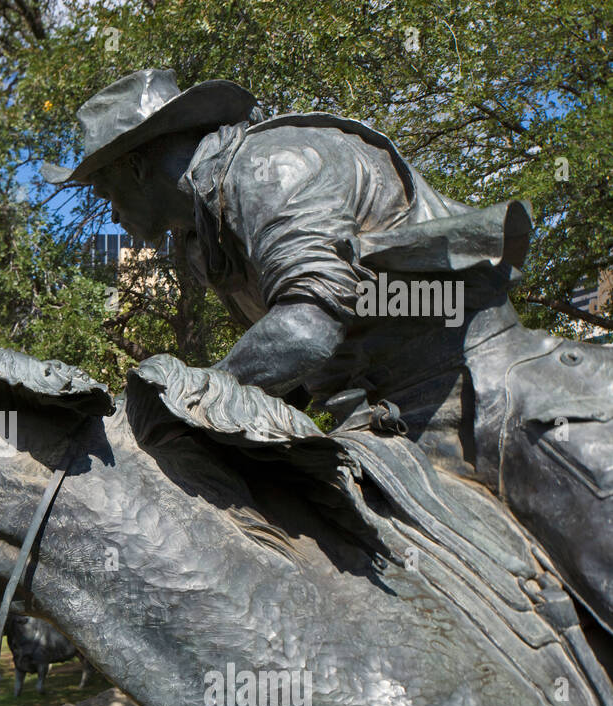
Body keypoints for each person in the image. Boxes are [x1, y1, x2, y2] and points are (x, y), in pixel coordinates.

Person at [43, 69, 612, 633]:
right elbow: (287, 370)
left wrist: (167, 409)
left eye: (104, 191)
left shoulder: (271, 169)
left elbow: (308, 331)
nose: (111, 213)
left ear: (137, 166)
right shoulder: (203, 234)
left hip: (479, 402)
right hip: (380, 435)